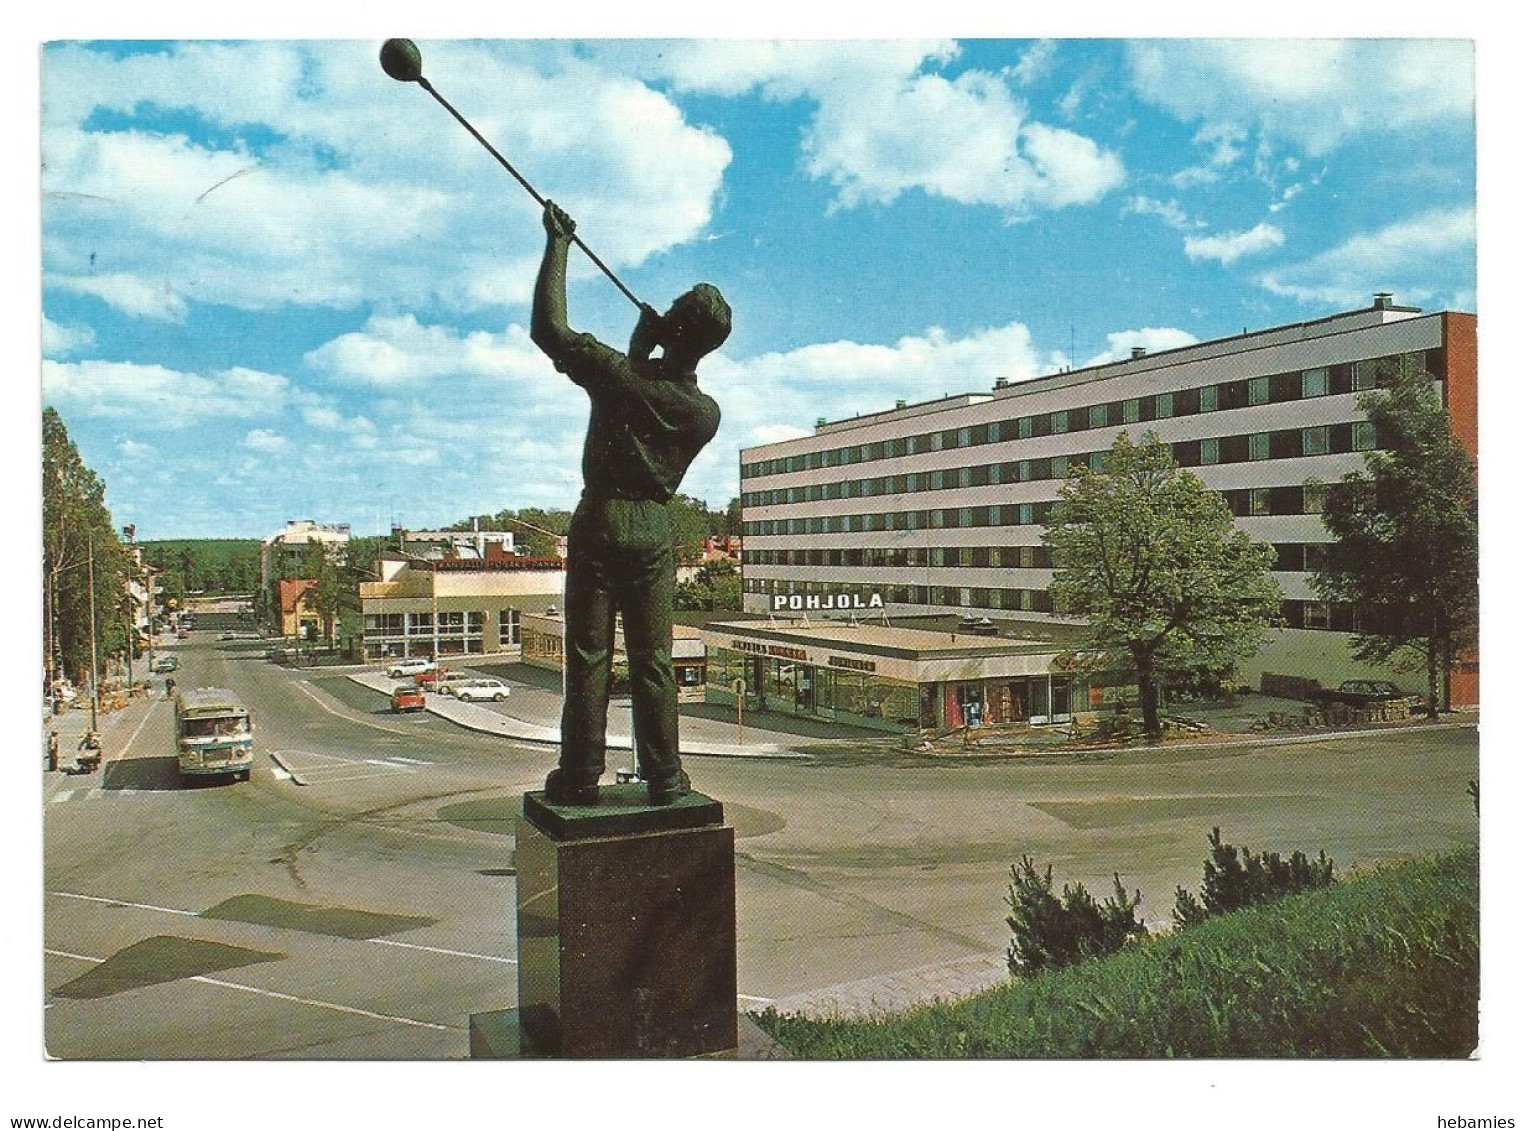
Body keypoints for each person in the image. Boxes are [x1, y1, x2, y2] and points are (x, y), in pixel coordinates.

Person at [530, 200, 727, 806]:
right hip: (653, 527)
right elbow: (656, 393)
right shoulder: (705, 413)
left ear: (672, 328)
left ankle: (580, 776)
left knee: (589, 657)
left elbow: (550, 330)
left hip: (602, 517)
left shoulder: (623, 376)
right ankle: (666, 778)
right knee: (654, 660)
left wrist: (557, 244)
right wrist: (651, 353)